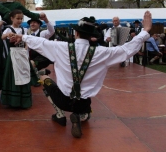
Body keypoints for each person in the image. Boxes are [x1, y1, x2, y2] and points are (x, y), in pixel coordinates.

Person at [12, 11, 153, 138]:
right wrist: (145, 31)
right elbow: (126, 50)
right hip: (84, 104)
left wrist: (22, 36)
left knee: (44, 77)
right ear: (91, 36)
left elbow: (40, 42)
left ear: (76, 33)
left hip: (62, 99)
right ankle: (82, 116)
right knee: (83, 104)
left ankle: (60, 114)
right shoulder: (102, 53)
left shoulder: (60, 47)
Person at [1, 9, 32, 108]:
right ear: (12, 18)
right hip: (13, 56)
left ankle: (23, 101)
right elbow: (2, 37)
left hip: (22, 55)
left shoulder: (25, 30)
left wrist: (25, 49)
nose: (20, 20)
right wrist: (7, 35)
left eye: (21, 18)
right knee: (13, 77)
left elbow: (28, 42)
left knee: (24, 75)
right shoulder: (8, 29)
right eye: (17, 18)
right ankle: (12, 100)